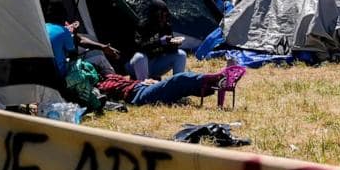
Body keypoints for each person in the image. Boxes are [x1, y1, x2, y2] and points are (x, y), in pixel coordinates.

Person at [95, 65, 245, 108]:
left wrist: (145, 82)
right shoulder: (101, 85)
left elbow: (127, 82)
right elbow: (106, 94)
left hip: (142, 88)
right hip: (139, 97)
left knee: (180, 85)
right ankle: (213, 80)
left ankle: (214, 84)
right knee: (178, 80)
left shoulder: (114, 78)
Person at [41, 0, 120, 75]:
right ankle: (114, 82)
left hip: (47, 73)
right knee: (100, 59)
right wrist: (74, 33)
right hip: (62, 73)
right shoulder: (62, 30)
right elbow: (74, 58)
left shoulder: (41, 28)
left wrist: (102, 47)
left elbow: (80, 40)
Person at [130, 0, 188, 81]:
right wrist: (160, 42)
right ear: (154, 15)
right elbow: (139, 47)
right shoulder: (142, 26)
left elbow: (169, 50)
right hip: (137, 65)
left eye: (165, 15)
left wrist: (174, 45)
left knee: (181, 54)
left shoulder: (166, 27)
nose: (164, 19)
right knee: (140, 57)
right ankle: (143, 88)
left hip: (155, 64)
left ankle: (177, 83)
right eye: (161, 16)